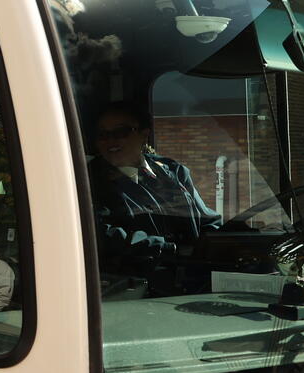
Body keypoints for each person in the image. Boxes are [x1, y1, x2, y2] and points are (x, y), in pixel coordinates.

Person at [87, 104, 217, 295]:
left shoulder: (173, 171)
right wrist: (169, 249)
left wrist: (227, 240)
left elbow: (206, 220)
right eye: (103, 134)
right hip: (133, 290)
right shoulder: (87, 180)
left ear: (144, 134)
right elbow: (99, 235)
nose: (111, 140)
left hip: (192, 284)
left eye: (121, 132)